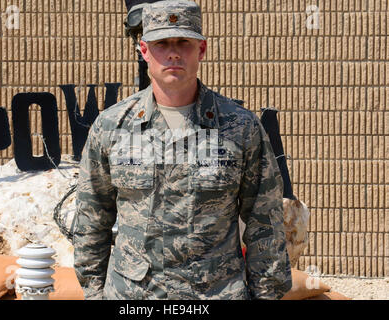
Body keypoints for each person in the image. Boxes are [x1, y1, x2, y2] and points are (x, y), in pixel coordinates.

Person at [73, 0, 292, 300]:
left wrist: (265, 296)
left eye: (184, 42)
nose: (174, 52)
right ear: (144, 50)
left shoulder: (240, 128)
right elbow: (91, 218)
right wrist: (95, 294)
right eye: (162, 43)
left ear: (201, 49)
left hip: (215, 294)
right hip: (133, 297)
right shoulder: (112, 127)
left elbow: (264, 219)